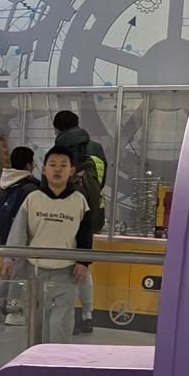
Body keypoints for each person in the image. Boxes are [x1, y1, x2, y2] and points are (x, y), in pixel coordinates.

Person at [0, 146, 91, 344]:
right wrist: (9, 258)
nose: (57, 169)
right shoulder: (33, 199)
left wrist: (83, 262)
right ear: (44, 169)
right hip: (35, 272)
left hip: (67, 273)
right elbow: (19, 231)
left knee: (61, 322)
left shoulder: (79, 201)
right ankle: (37, 357)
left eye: (63, 165)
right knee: (36, 322)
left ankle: (57, 359)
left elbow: (85, 235)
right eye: (52, 164)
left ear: (71, 171)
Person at [52, 110, 109, 334]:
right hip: (93, 211)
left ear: (57, 128)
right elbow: (100, 183)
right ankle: (87, 314)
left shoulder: (60, 149)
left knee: (66, 267)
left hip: (68, 213)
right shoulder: (97, 148)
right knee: (83, 263)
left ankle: (68, 315)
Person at [0, 146, 39, 327]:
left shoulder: (6, 182)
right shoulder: (30, 187)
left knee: (4, 272)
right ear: (28, 165)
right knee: (18, 275)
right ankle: (14, 310)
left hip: (3, 236)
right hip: (20, 239)